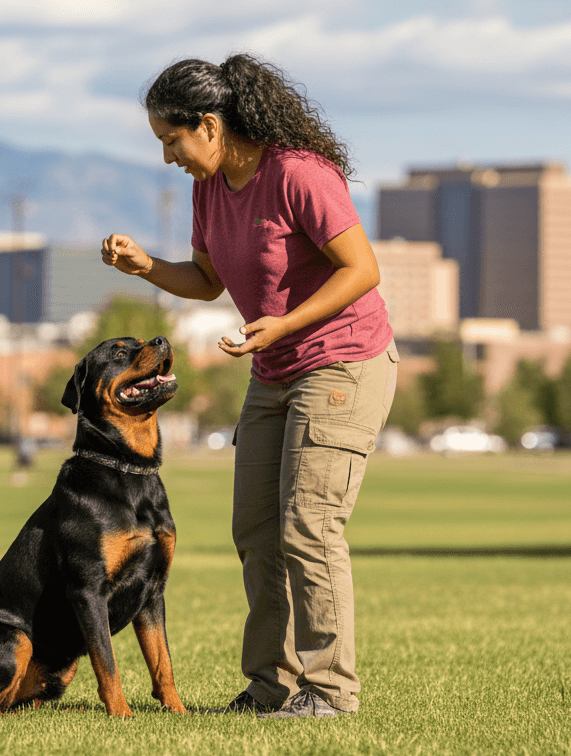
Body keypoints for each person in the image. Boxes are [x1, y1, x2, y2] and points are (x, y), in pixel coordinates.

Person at [100, 54, 398, 719]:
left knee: (310, 527)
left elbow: (362, 270)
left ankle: (329, 692)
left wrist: (284, 322)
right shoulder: (211, 188)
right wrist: (144, 265)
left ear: (209, 125)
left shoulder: (298, 175)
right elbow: (207, 281)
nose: (169, 155)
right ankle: (274, 689)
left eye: (172, 140)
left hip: (344, 362)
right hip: (275, 368)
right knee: (257, 530)